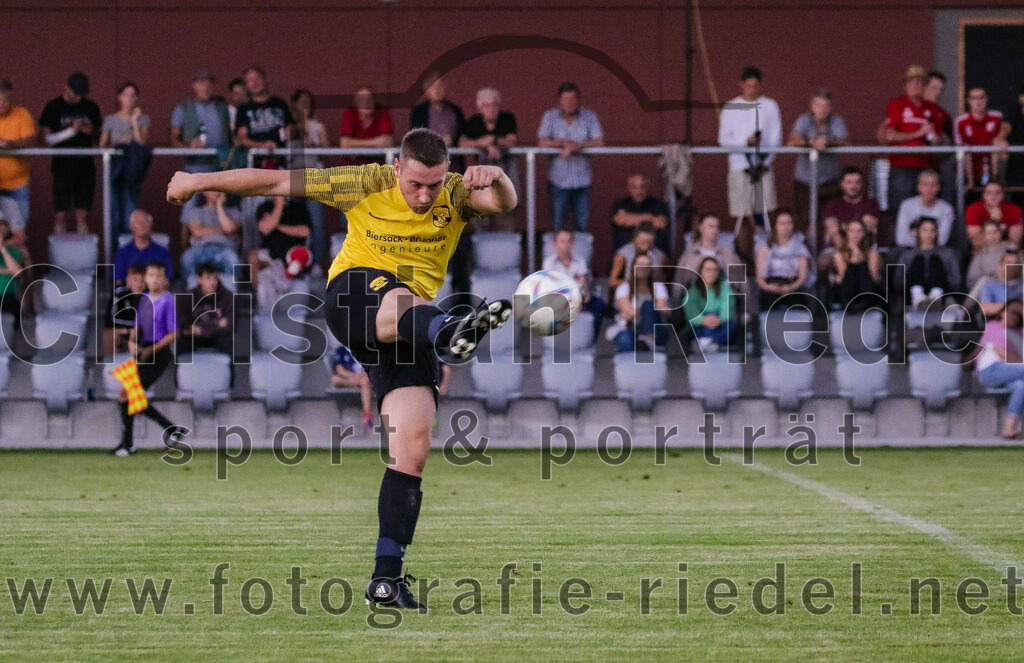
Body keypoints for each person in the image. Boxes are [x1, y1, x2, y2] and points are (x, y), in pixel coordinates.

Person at [166, 127, 518, 611]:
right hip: (356, 298)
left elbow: (504, 203)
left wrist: (496, 175)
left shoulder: (456, 194)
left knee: (412, 447)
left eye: (432, 185)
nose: (423, 195)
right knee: (400, 295)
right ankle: (450, 331)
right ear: (396, 168)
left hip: (410, 326)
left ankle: (385, 580)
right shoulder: (363, 182)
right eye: (414, 183)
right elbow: (270, 183)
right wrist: (196, 179)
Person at [111, 261, 188, 456]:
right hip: (143, 350)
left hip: (158, 353)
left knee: (128, 394)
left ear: (165, 280)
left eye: (158, 276)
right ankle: (170, 430)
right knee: (128, 395)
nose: (154, 279)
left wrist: (151, 349)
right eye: (150, 275)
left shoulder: (167, 300)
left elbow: (173, 333)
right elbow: (137, 326)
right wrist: (131, 341)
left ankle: (128, 445)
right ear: (146, 278)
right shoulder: (145, 298)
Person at [718, 65, 782, 264]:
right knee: (742, 217)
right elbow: (723, 139)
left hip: (763, 168)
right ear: (741, 85)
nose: (752, 89)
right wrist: (745, 143)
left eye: (755, 86)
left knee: (765, 215)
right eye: (748, 85)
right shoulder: (730, 107)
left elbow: (775, 138)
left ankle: (767, 262)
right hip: (739, 167)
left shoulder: (770, 106)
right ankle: (745, 263)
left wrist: (766, 161)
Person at [38, 72, 102, 234]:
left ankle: (83, 257)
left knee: (82, 216)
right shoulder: (53, 107)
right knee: (60, 215)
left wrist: (89, 131)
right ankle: (59, 258)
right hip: (62, 167)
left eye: (82, 94)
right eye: (76, 93)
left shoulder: (91, 107)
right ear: (67, 89)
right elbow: (44, 139)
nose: (79, 97)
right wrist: (71, 131)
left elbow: (101, 137)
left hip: (85, 167)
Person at [537, 82, 605, 232]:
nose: (569, 103)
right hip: (558, 181)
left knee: (581, 225)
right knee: (558, 225)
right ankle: (558, 256)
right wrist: (562, 143)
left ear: (579, 100)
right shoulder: (550, 116)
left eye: (573, 98)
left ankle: (579, 256)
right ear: (559, 101)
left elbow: (599, 141)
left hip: (583, 180)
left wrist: (578, 146)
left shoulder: (589, 116)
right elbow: (542, 142)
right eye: (566, 99)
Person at [786, 88, 849, 235]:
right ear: (812, 106)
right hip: (804, 180)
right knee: (804, 222)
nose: (822, 109)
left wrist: (828, 142)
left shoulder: (836, 120)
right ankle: (806, 254)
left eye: (826, 106)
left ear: (830, 108)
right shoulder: (803, 120)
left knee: (832, 221)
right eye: (818, 105)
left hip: (829, 181)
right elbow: (792, 140)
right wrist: (810, 142)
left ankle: (829, 253)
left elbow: (846, 141)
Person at [883, 65, 944, 213]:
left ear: (925, 85)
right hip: (903, 165)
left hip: (927, 166)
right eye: (911, 82)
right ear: (905, 85)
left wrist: (937, 140)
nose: (915, 85)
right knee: (901, 210)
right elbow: (890, 135)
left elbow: (940, 137)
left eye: (919, 82)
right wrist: (917, 134)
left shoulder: (933, 108)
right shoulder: (897, 104)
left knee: (928, 211)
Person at [461, 88, 518, 232]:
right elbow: (462, 143)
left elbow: (512, 140)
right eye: (486, 105)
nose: (491, 109)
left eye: (494, 105)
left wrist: (494, 140)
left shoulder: (507, 118)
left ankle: (506, 249)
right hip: (480, 178)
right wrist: (481, 143)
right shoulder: (474, 121)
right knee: (480, 211)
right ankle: (481, 251)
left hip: (506, 173)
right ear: (479, 107)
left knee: (507, 209)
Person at [99, 82, 151, 238]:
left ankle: (129, 247)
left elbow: (141, 141)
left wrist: (134, 122)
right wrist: (118, 143)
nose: (130, 98)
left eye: (133, 95)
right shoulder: (110, 119)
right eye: (127, 94)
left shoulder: (143, 119)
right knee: (113, 211)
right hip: (114, 168)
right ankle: (114, 251)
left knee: (129, 209)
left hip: (132, 169)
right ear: (120, 97)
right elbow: (102, 145)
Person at [542, 229, 605, 342]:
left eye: (568, 241)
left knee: (599, 304)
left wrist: (586, 293)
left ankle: (591, 338)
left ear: (573, 244)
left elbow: (583, 282)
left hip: (577, 297)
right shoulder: (549, 262)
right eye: (562, 241)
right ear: (555, 244)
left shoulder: (580, 261)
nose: (565, 245)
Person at [289, 89, 328, 268]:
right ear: (294, 104)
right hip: (292, 179)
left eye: (308, 101)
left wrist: (315, 141)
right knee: (293, 221)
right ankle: (293, 262)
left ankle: (316, 265)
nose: (305, 105)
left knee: (316, 224)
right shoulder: (288, 125)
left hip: (314, 178)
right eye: (301, 101)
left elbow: (327, 149)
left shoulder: (317, 125)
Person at [974, 300, 1024, 439]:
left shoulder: (1020, 333)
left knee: (1021, 386)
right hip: (990, 371)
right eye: (1012, 312)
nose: (1015, 317)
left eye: (1018, 315)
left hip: (1010, 373)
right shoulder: (993, 327)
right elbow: (1000, 352)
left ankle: (1009, 428)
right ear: (1002, 312)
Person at [170, 70, 232, 175]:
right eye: (202, 83)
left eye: (209, 83)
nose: (206, 87)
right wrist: (189, 148)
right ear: (194, 85)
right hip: (195, 166)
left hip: (222, 164)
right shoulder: (183, 108)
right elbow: (173, 139)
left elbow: (230, 134)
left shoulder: (222, 107)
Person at [607, 252, 669, 352]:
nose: (643, 268)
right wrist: (649, 311)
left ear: (651, 268)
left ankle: (648, 339)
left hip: (655, 329)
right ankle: (628, 363)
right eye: (639, 265)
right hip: (631, 327)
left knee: (647, 305)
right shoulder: (624, 287)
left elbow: (664, 309)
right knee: (625, 338)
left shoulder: (658, 287)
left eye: (647, 265)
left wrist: (648, 310)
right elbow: (629, 313)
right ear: (632, 267)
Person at [235, 66, 294, 167]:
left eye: (257, 78)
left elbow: (290, 129)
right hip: (255, 163)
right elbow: (242, 138)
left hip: (281, 160)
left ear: (264, 79)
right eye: (251, 80)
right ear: (247, 85)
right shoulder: (243, 108)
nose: (255, 83)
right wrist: (262, 146)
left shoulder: (279, 103)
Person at [673, 212, 742, 299]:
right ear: (701, 228)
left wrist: (749, 310)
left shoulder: (728, 253)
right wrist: (676, 309)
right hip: (696, 300)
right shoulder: (689, 255)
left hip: (725, 299)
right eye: (710, 226)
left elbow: (742, 282)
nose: (715, 230)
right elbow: (678, 284)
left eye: (717, 227)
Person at [0, 80, 36, 243]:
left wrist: (10, 145)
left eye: (5, 100)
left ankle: (20, 267)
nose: (2, 104)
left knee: (20, 232)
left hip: (18, 184)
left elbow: (31, 140)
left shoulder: (21, 114)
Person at [955, 87, 1010, 192]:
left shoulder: (997, 116)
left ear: (986, 99)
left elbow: (1006, 127)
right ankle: (970, 184)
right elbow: (961, 148)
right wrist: (969, 181)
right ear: (969, 101)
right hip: (970, 171)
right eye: (974, 98)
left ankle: (998, 181)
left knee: (1000, 145)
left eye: (981, 97)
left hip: (992, 170)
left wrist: (1000, 138)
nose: (978, 101)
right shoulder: (960, 121)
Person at [756, 210, 811, 312]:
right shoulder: (766, 246)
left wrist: (790, 287)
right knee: (767, 301)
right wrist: (769, 287)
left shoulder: (799, 246)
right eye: (782, 223)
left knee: (797, 301)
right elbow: (760, 278)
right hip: (772, 284)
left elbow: (803, 277)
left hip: (792, 283)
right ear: (775, 226)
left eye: (789, 223)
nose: (786, 227)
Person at [901, 217, 961, 310]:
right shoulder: (908, 254)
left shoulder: (947, 253)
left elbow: (956, 280)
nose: (929, 234)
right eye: (925, 230)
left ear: (936, 233)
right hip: (912, 294)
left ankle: (935, 297)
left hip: (942, 292)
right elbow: (898, 281)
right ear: (918, 232)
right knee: (918, 260)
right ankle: (918, 298)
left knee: (935, 260)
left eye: (932, 230)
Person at [180, 191, 241, 279]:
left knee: (233, 260)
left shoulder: (234, 212)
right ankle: (191, 289)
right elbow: (198, 232)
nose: (217, 192)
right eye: (213, 189)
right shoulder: (196, 212)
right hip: (200, 249)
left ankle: (231, 290)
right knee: (187, 258)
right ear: (205, 193)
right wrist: (223, 230)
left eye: (220, 189)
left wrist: (219, 206)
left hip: (224, 249)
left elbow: (229, 228)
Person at [179, 262, 234, 357]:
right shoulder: (188, 297)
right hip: (194, 335)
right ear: (199, 280)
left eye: (215, 278)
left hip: (217, 335)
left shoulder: (227, 296)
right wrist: (217, 324)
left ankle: (230, 371)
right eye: (208, 278)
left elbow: (230, 325)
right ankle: (180, 371)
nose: (212, 283)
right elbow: (183, 325)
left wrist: (202, 330)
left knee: (228, 341)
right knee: (183, 341)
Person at [682, 257, 736, 352]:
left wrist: (719, 320)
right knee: (696, 328)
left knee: (732, 323)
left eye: (715, 270)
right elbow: (691, 313)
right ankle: (712, 342)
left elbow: (729, 307)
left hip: (720, 321)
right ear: (701, 271)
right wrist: (703, 320)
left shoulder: (725, 288)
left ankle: (708, 342)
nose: (711, 273)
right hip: (701, 323)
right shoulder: (693, 291)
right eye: (708, 270)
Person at [610, 173, 670, 253]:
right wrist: (649, 217)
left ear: (647, 187)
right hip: (625, 253)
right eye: (634, 187)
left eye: (642, 187)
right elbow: (620, 220)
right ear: (628, 188)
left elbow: (661, 223)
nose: (638, 191)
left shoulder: (659, 204)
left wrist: (629, 218)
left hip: (652, 251)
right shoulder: (620, 204)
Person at [894, 170, 955, 247]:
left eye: (933, 184)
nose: (929, 189)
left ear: (939, 188)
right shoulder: (907, 205)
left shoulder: (946, 209)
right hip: (909, 250)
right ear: (919, 187)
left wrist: (914, 233)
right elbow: (901, 239)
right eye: (925, 184)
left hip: (937, 252)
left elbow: (942, 241)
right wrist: (931, 236)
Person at [832, 218, 881, 312]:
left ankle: (865, 301)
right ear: (847, 233)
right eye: (852, 231)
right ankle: (850, 303)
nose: (855, 235)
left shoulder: (872, 253)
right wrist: (854, 254)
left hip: (867, 288)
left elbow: (873, 276)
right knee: (852, 269)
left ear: (864, 234)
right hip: (847, 289)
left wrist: (858, 255)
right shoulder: (839, 254)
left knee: (862, 268)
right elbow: (843, 276)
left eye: (859, 231)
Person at [113, 209, 173, 283]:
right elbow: (118, 281)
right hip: (129, 293)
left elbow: (167, 280)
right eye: (138, 222)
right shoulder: (122, 253)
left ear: (151, 225)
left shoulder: (162, 252)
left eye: (145, 221)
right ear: (131, 227)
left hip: (155, 292)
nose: (142, 225)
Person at [340, 86, 393, 165]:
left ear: (374, 101)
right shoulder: (350, 113)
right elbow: (344, 143)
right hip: (351, 168)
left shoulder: (382, 112)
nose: (366, 103)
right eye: (362, 100)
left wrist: (355, 145)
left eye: (369, 99)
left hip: (377, 168)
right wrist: (375, 143)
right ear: (355, 103)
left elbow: (387, 142)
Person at [965, 182, 1023, 251]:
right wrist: (994, 221)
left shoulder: (1014, 209)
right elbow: (977, 243)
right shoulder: (973, 209)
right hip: (983, 251)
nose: (993, 196)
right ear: (984, 195)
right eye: (989, 193)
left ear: (1003, 195)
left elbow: (1015, 242)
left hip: (1007, 251)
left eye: (997, 193)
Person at [608, 222, 666, 291]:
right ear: (634, 239)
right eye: (642, 242)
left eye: (649, 243)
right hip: (628, 293)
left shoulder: (660, 256)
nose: (646, 247)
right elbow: (612, 282)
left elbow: (661, 281)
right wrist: (633, 283)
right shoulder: (623, 255)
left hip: (651, 293)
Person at [104, 262, 146, 356]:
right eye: (135, 279)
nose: (139, 284)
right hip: (121, 331)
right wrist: (129, 330)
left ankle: (147, 368)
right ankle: (112, 367)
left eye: (142, 280)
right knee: (109, 336)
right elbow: (112, 320)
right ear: (128, 280)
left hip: (141, 333)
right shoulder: (119, 293)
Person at [330, 342, 374, 429]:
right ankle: (360, 385)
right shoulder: (341, 350)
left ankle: (367, 414)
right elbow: (340, 370)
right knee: (334, 379)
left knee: (365, 381)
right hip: (349, 379)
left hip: (364, 378)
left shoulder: (366, 349)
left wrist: (362, 376)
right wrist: (354, 376)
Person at [967, 219, 1016, 292]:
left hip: (1012, 284)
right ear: (984, 235)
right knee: (984, 280)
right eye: (989, 233)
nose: (993, 236)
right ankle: (966, 304)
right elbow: (971, 281)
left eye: (995, 232)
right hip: (991, 290)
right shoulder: (980, 256)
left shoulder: (1011, 248)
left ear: (1000, 233)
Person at [979, 251, 1023, 319]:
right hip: (997, 322)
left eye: (1015, 263)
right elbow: (984, 308)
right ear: (1001, 264)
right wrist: (1008, 306)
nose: (1012, 266)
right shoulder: (990, 285)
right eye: (1008, 262)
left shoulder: (1022, 285)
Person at [0, 217, 24, 327]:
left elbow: (18, 273)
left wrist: (3, 249)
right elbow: (12, 271)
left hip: (7, 297)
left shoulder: (13, 251)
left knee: (11, 308)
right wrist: (8, 271)